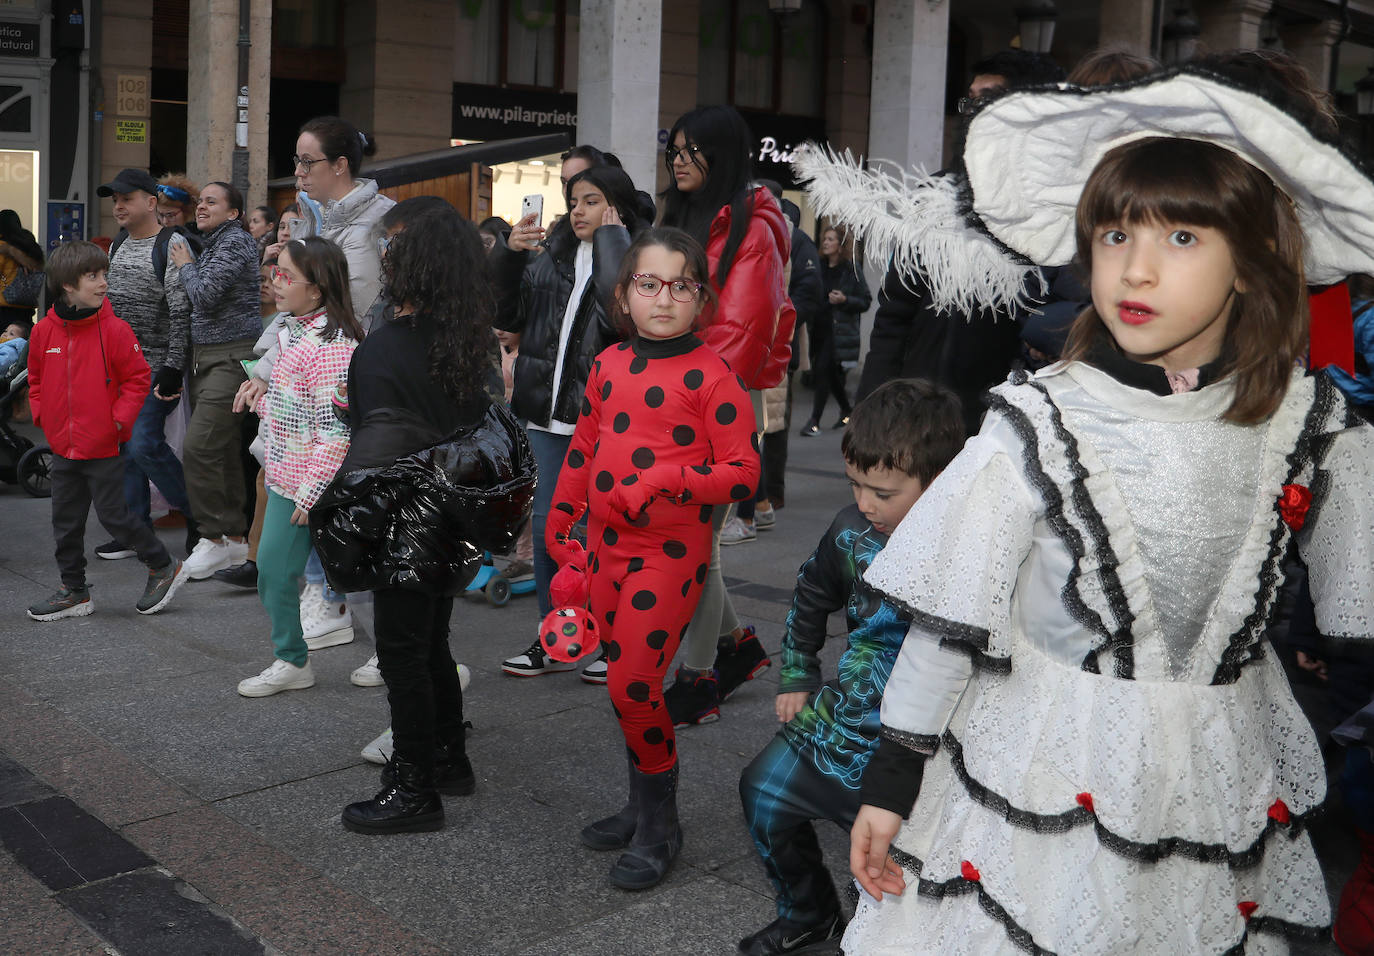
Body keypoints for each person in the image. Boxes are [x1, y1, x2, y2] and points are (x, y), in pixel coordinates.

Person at [827, 65, 1374, 953]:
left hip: (1214, 781)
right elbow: (947, 627)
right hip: (1039, 774)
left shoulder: (1315, 427)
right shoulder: (1035, 421)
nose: (1137, 268)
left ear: (1254, 259)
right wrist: (892, 784)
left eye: (1184, 237)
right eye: (1115, 234)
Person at [547, 227, 759, 889]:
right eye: (649, 284)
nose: (664, 298)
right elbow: (584, 446)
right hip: (605, 549)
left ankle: (662, 826)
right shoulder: (609, 364)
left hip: (669, 554)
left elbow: (744, 472)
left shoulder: (713, 376)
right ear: (625, 294)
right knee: (623, 683)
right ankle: (642, 806)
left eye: (680, 285)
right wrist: (560, 526)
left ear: (701, 298)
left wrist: (672, 480)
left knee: (632, 682)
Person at [313, 209, 531, 832]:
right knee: (431, 641)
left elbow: (372, 441)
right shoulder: (472, 341)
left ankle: (413, 787)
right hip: (456, 514)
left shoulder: (386, 345)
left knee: (402, 653)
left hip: (401, 516)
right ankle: (446, 759)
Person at [737, 378, 963, 956]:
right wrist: (797, 673)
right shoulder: (850, 531)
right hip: (841, 718)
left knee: (898, 868)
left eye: (883, 492)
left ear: (938, 481)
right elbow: (810, 594)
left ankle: (876, 935)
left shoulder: (967, 548)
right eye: (855, 484)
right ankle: (808, 911)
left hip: (916, 746)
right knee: (762, 793)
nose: (865, 503)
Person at [657, 103, 795, 727]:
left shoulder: (753, 227)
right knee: (688, 542)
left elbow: (742, 330)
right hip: (673, 388)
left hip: (716, 397)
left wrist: (676, 382)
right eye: (675, 150)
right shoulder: (679, 212)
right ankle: (736, 650)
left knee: (699, 547)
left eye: (693, 151)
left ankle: (696, 679)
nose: (680, 161)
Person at [850, 49, 1065, 432]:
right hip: (917, 417)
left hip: (1004, 425)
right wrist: (872, 404)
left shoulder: (1056, 204)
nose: (971, 112)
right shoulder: (935, 193)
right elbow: (894, 314)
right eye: (970, 99)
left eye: (988, 99)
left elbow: (1057, 317)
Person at [494, 164, 646, 682]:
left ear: (615, 206)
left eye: (590, 200)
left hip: (602, 422)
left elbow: (619, 313)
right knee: (546, 529)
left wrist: (611, 238)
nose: (577, 210)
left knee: (599, 533)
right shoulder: (552, 256)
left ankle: (605, 639)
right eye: (573, 200)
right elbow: (506, 316)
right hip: (544, 415)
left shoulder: (633, 253)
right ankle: (553, 634)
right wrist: (510, 257)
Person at [24, 241, 184, 621]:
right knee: (65, 523)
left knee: (116, 518)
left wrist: (117, 421)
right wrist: (42, 414)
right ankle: (74, 591)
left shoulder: (114, 329)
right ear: (67, 285)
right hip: (63, 447)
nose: (103, 283)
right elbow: (35, 379)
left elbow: (137, 378)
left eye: (104, 275)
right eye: (93, 276)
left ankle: (163, 565)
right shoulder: (44, 331)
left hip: (104, 447)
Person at [235, 237, 360, 697]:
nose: (275, 283)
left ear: (319, 287)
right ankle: (292, 659)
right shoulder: (294, 329)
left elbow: (336, 430)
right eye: (274, 272)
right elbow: (300, 405)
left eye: (286, 275)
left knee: (366, 584)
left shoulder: (332, 346)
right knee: (272, 571)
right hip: (290, 475)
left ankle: (410, 660)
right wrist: (262, 391)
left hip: (318, 483)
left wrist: (312, 490)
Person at [93, 168, 197, 561]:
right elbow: (109, 305)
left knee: (144, 445)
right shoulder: (117, 244)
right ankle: (135, 530)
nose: (118, 206)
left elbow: (181, 311)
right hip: (119, 368)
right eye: (114, 199)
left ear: (151, 203)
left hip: (157, 367)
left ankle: (196, 516)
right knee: (126, 447)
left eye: (126, 198)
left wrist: (173, 368)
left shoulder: (171, 244)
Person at [171, 181, 263, 579]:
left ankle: (212, 537)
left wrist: (184, 265)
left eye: (213, 201)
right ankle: (233, 539)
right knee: (222, 451)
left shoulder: (234, 243)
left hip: (229, 356)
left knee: (200, 447)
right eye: (201, 201)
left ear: (233, 213)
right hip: (208, 358)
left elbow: (204, 295)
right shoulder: (216, 242)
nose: (202, 207)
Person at [799, 225, 870, 437]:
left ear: (840, 244)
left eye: (831, 239)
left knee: (822, 370)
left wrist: (845, 300)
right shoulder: (818, 266)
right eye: (825, 239)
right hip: (818, 329)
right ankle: (847, 410)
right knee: (831, 374)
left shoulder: (851, 269)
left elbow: (865, 301)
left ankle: (814, 421)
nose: (826, 242)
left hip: (838, 332)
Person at [0, 208, 44, 332]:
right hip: (27, 307)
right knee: (23, 343)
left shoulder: (3, 246)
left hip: (4, 307)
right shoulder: (29, 245)